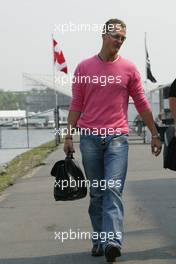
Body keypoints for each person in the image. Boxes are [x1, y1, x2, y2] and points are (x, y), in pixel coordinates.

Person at [63, 18, 162, 262]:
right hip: (90, 139)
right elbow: (77, 104)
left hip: (118, 138)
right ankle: (99, 239)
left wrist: (155, 133)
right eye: (116, 36)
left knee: (112, 190)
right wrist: (68, 135)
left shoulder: (129, 69)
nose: (120, 41)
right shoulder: (84, 68)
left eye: (123, 38)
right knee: (97, 192)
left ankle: (112, 242)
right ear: (104, 35)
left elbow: (141, 103)